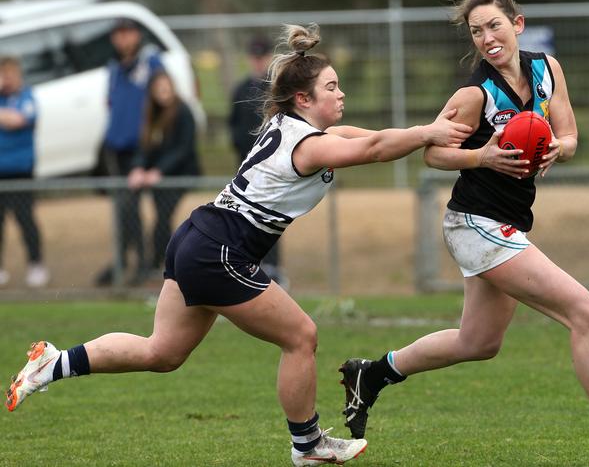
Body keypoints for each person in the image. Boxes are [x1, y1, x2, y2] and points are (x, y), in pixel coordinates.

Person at [5, 24, 473, 466]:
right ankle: (307, 444)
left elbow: (374, 140)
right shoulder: (307, 145)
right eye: (331, 87)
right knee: (301, 337)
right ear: (303, 98)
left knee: (162, 353)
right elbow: (371, 151)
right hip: (218, 250)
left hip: (198, 238)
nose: (341, 93)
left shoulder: (307, 132)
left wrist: (425, 131)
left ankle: (56, 362)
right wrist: (427, 135)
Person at [338, 0, 589, 465]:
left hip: (508, 222)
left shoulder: (548, 70)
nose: (486, 37)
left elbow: (569, 136)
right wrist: (481, 156)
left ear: (517, 24)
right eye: (477, 31)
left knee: (478, 342)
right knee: (585, 312)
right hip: (474, 223)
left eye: (494, 25)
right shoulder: (474, 93)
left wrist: (555, 149)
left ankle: (372, 374)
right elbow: (434, 153)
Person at [94, 18, 164, 286]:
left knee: (131, 208)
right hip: (116, 149)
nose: (123, 39)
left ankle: (144, 262)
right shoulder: (113, 67)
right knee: (122, 210)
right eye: (118, 34)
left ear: (137, 35)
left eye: (128, 33)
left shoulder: (150, 63)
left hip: (140, 149)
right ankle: (123, 260)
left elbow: (162, 98)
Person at [127, 71, 201, 278]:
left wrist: (159, 171)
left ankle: (162, 264)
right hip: (157, 177)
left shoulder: (183, 111)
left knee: (162, 219)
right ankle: (148, 263)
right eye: (158, 89)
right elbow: (145, 147)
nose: (163, 92)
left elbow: (183, 149)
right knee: (139, 212)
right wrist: (138, 168)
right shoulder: (152, 114)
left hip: (179, 176)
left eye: (166, 87)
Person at [228, 35, 288, 288]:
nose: (257, 61)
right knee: (246, 215)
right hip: (247, 164)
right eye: (254, 56)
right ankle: (250, 264)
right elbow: (233, 124)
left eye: (261, 56)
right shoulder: (241, 89)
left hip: (273, 165)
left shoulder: (276, 88)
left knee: (272, 214)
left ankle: (273, 265)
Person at [0, 56, 50, 288]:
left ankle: (36, 264)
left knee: (25, 219)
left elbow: (19, 120)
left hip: (20, 171)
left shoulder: (26, 97)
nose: (6, 79)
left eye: (10, 73)